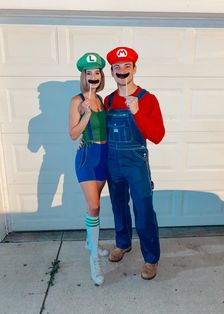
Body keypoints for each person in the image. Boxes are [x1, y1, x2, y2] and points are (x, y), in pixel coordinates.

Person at [104, 46, 165, 280]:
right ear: (111, 72)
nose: (122, 71)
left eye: (127, 66)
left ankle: (151, 258)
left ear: (134, 69)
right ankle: (123, 243)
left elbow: (158, 136)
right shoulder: (108, 101)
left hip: (136, 162)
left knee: (143, 209)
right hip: (113, 162)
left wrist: (138, 112)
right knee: (118, 205)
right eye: (117, 67)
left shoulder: (147, 99)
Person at [68, 52, 109, 286]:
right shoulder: (77, 100)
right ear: (83, 76)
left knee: (96, 205)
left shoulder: (102, 99)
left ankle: (89, 241)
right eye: (89, 73)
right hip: (86, 157)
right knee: (93, 207)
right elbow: (73, 133)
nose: (93, 76)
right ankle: (94, 259)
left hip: (104, 157)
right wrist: (85, 113)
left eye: (97, 72)